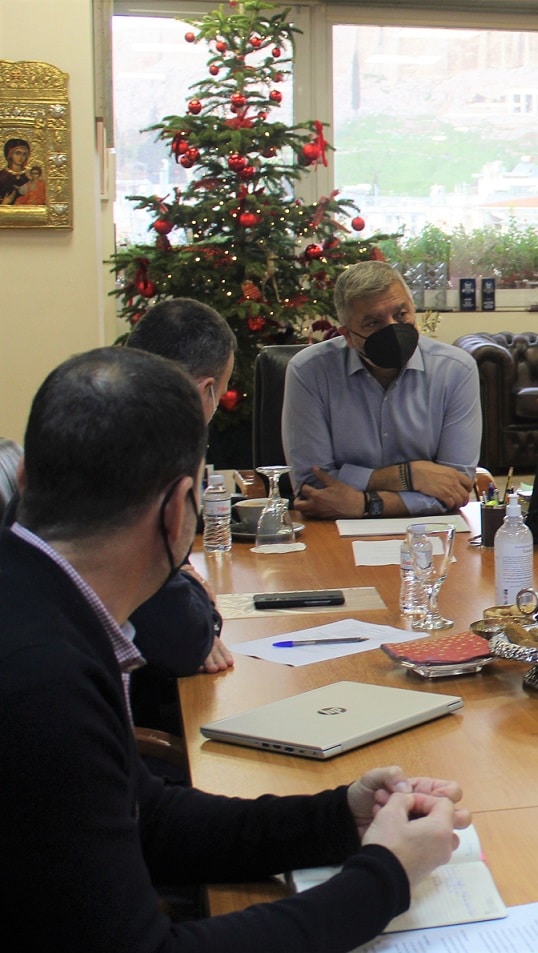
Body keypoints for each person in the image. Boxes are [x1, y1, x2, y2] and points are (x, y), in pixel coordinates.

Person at [1, 347, 468, 950]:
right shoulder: (44, 684)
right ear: (179, 513)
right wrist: (388, 875)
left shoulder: (36, 603)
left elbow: (145, 816)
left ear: (26, 478)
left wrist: (338, 820)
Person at [283, 259, 481, 519]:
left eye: (401, 315)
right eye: (373, 323)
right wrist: (410, 475)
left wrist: (365, 504)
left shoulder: (456, 370)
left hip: (429, 530)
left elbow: (455, 487)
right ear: (348, 335)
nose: (393, 329)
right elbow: (313, 485)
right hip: (334, 531)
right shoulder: (309, 371)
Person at [125, 298, 238, 730]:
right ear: (204, 391)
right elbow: (186, 640)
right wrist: (201, 610)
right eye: (219, 393)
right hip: (128, 723)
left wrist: (181, 578)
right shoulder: (146, 455)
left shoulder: (101, 416)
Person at [0, 137, 45, 206]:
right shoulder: (1, 176)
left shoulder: (31, 175)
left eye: (24, 154)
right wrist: (4, 203)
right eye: (17, 153)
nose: (21, 157)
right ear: (10, 154)